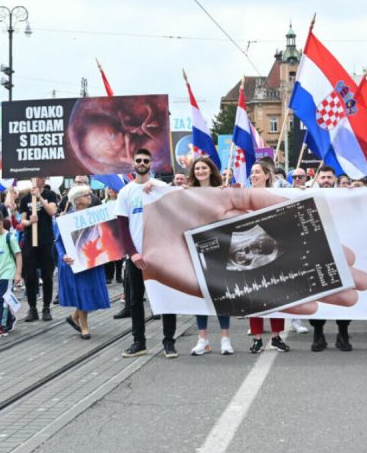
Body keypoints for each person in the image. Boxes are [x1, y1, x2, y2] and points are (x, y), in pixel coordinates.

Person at [116, 148, 181, 359]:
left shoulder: (161, 187)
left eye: (145, 160)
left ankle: (169, 342)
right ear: (133, 164)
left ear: (151, 164)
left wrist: (162, 190)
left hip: (160, 255)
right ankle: (139, 342)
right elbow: (123, 227)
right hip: (137, 257)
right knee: (135, 300)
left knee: (166, 299)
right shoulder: (125, 192)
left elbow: (179, 207)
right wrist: (132, 253)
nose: (142, 163)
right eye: (138, 160)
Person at [183, 157, 235, 355]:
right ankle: (202, 339)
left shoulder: (221, 192)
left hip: (219, 248)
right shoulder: (186, 193)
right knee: (200, 295)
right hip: (196, 248)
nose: (201, 171)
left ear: (211, 170)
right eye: (197, 168)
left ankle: (225, 338)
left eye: (204, 167)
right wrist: (148, 187)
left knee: (222, 293)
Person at [244, 161, 291, 354]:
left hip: (273, 251)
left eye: (257, 172)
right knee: (254, 296)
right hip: (250, 252)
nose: (253, 175)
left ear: (266, 175)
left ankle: (276, 337)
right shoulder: (243, 195)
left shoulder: (275, 196)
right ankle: (257, 338)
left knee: (275, 295)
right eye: (252, 172)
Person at [56, 186, 112, 340]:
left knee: (90, 292)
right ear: (77, 200)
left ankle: (74, 316)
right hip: (76, 262)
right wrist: (63, 256)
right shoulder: (67, 218)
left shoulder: (94, 215)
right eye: (86, 195)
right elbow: (58, 242)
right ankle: (84, 326)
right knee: (82, 292)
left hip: (92, 259)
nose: (90, 196)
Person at [307, 165, 354, 352]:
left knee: (342, 294)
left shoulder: (344, 196)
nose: (326, 180)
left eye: (329, 177)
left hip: (340, 252)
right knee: (319, 295)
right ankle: (318, 334)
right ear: (318, 179)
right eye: (323, 177)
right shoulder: (308, 194)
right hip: (316, 251)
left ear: (334, 179)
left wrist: (355, 189)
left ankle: (343, 333)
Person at [18, 176, 60, 322]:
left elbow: (52, 211)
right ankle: (32, 308)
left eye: (42, 177)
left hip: (46, 240)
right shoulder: (25, 199)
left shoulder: (50, 195)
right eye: (38, 177)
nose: (41, 179)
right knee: (30, 276)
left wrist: (40, 197)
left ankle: (46, 308)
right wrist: (29, 221)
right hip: (30, 240)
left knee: (47, 275)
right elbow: (22, 220)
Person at [0, 211, 23, 335]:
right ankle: (10, 319)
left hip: (7, 274)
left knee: (3, 300)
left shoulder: (10, 237)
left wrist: (18, 274)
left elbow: (18, 255)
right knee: (1, 301)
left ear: (1, 223)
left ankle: (2, 326)